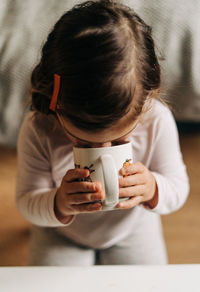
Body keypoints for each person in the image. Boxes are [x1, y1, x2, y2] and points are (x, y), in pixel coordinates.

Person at [16, 0, 189, 266]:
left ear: (145, 102)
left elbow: (178, 188)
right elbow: (27, 201)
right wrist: (58, 203)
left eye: (121, 139)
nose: (103, 149)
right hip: (60, 232)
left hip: (132, 228)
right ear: (55, 102)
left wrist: (152, 188)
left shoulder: (156, 120)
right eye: (84, 142)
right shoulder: (39, 129)